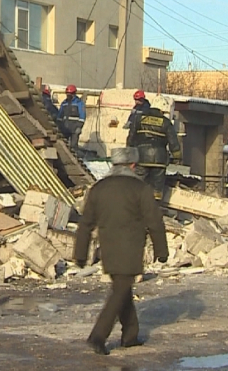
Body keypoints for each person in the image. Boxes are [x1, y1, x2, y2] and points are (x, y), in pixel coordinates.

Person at [74, 147, 168, 355]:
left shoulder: (98, 189)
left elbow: (86, 223)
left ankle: (130, 335)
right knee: (121, 289)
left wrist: (80, 253)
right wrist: (162, 250)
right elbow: (154, 220)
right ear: (133, 165)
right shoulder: (140, 188)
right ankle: (98, 336)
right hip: (131, 247)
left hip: (108, 246)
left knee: (122, 287)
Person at [127, 105, 181, 201]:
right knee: (157, 189)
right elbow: (173, 141)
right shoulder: (166, 122)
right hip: (159, 159)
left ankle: (135, 206)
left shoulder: (138, 119)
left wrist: (130, 152)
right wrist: (177, 156)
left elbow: (131, 137)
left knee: (137, 184)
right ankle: (154, 208)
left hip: (142, 157)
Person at [57, 85, 86, 153]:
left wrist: (79, 127)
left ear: (74, 94)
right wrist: (59, 125)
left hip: (74, 129)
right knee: (64, 146)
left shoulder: (79, 103)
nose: (68, 95)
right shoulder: (64, 103)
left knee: (73, 147)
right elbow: (60, 115)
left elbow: (82, 116)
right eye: (67, 94)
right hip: (65, 128)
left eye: (70, 94)